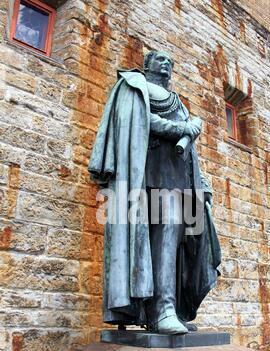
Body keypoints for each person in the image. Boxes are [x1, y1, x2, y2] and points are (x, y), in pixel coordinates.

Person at [88, 50, 221, 334]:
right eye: (159, 58)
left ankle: (167, 310)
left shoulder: (179, 103)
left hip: (177, 183)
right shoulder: (132, 87)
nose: (166, 62)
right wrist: (183, 128)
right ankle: (159, 310)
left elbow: (192, 154)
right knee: (143, 245)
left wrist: (203, 185)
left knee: (174, 243)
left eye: (169, 60)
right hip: (141, 178)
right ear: (147, 65)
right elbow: (141, 122)